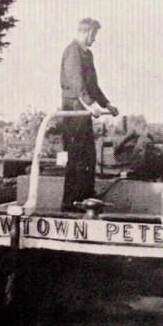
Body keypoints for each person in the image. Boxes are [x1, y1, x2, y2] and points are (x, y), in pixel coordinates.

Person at [59, 18, 119, 211]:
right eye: (94, 35)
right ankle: (70, 203)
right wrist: (89, 104)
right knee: (77, 156)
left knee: (89, 157)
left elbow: (92, 85)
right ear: (87, 32)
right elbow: (77, 82)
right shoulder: (73, 51)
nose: (94, 40)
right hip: (74, 108)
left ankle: (86, 200)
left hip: (83, 109)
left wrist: (106, 104)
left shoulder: (87, 55)